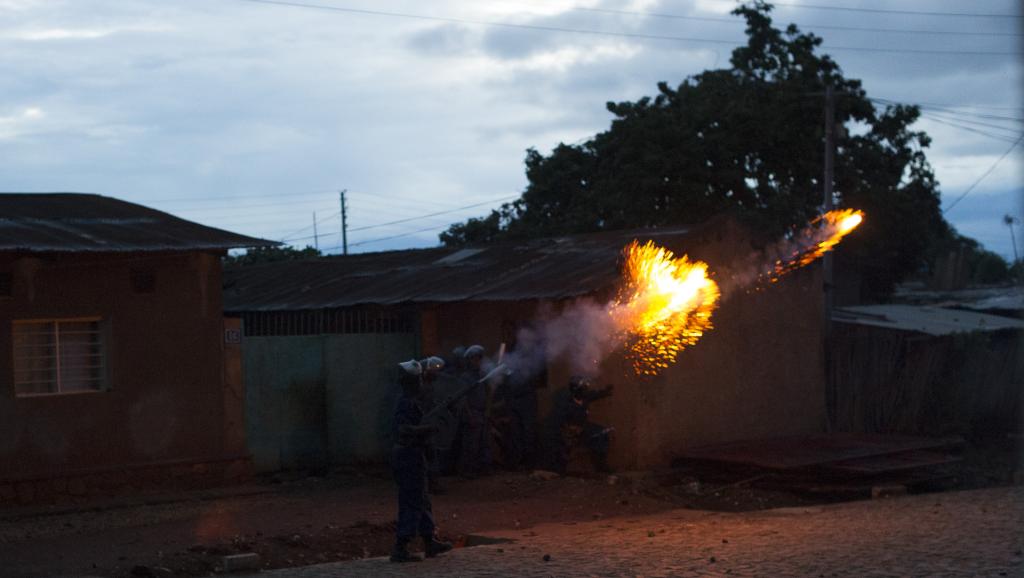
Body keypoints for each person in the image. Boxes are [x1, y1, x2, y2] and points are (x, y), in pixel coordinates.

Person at [390, 359, 453, 563]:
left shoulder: (413, 401)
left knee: (423, 499)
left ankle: (429, 541)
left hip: (415, 455)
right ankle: (401, 546)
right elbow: (403, 430)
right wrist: (427, 429)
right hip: (408, 455)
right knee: (412, 501)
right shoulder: (405, 403)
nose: (421, 384)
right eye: (418, 380)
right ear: (411, 382)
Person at [542, 375, 614, 475]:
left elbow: (595, 394)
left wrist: (606, 391)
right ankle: (560, 467)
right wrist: (568, 433)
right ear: (575, 390)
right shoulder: (565, 405)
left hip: (583, 428)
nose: (585, 390)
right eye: (583, 388)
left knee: (603, 433)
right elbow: (557, 424)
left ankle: (600, 464)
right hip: (570, 433)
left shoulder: (584, 397)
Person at [455, 345, 491, 478]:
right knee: (470, 444)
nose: (477, 362)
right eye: (474, 359)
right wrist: (469, 415)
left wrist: (487, 410)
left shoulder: (481, 375)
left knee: (483, 443)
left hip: (481, 412)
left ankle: (481, 468)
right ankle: (467, 470)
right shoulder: (465, 377)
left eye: (479, 359)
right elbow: (463, 398)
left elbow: (486, 393)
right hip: (472, 413)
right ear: (469, 360)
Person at [418, 356, 449, 494]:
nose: (436, 373)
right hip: (422, 426)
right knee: (428, 455)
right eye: (433, 370)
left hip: (427, 425)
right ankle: (430, 484)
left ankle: (431, 483)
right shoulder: (422, 387)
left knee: (431, 454)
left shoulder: (428, 386)